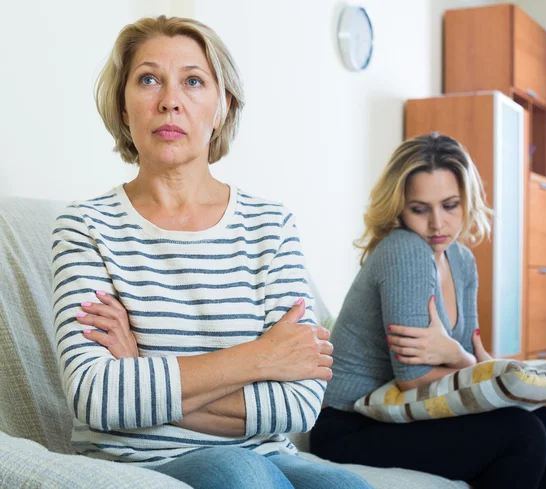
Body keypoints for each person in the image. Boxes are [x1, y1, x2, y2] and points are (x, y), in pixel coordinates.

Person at [51, 15, 371, 489]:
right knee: (240, 474)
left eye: (193, 81)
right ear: (123, 107)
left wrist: (141, 372)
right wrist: (262, 358)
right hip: (138, 465)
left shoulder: (271, 226)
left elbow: (300, 404)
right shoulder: (85, 228)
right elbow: (98, 396)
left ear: (223, 106)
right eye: (148, 79)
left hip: (270, 458)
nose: (169, 101)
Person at [309, 133, 546, 489]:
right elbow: (414, 376)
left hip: (405, 413)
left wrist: (458, 355)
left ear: (468, 200)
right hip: (350, 426)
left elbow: (472, 359)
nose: (437, 224)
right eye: (420, 209)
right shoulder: (405, 250)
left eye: (450, 205)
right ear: (399, 207)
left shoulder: (461, 259)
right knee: (522, 434)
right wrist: (463, 359)